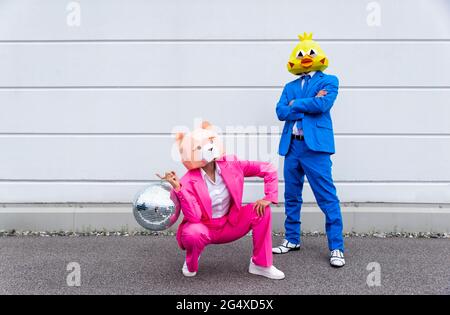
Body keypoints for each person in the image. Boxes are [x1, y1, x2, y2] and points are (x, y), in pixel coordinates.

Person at [158, 121, 285, 279]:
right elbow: (194, 217)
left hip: (231, 223)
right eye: (199, 147)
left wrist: (269, 197)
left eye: (210, 142)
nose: (209, 147)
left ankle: (260, 264)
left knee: (262, 211)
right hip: (205, 228)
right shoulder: (187, 181)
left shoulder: (232, 164)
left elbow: (268, 169)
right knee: (192, 233)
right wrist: (179, 189)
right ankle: (192, 257)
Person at [273, 33, 345, 267]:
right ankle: (292, 239)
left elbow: (323, 104)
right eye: (301, 55)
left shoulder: (329, 81)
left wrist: (296, 104)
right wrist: (306, 104)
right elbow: (281, 112)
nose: (305, 58)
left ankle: (336, 247)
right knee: (291, 196)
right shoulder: (289, 85)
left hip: (316, 149)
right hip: (292, 145)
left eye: (309, 54)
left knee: (327, 197)